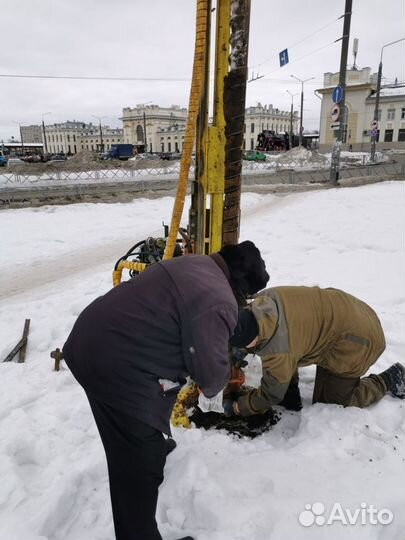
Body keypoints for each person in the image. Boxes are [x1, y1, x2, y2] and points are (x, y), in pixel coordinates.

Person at [63, 241, 269, 540]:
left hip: (90, 340)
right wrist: (229, 358)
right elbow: (210, 377)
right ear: (241, 287)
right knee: (139, 465)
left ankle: (140, 451)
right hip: (117, 364)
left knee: (127, 434)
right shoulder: (219, 299)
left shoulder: (196, 264)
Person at [225, 286, 405, 417]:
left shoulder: (279, 349)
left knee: (332, 406)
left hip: (358, 340)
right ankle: (291, 392)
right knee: (294, 344)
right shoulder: (263, 299)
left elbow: (271, 393)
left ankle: (387, 380)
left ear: (255, 339)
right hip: (350, 310)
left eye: (246, 346)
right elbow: (291, 337)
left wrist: (239, 407)